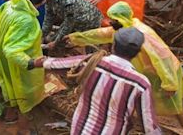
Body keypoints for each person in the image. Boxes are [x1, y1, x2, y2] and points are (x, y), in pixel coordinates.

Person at [64, 1, 183, 126]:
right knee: (148, 103)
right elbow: (100, 34)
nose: (111, 23)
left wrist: (170, 84)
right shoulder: (123, 29)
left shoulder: (143, 34)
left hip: (164, 73)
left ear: (122, 18)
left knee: (174, 105)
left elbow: (162, 59)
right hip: (149, 73)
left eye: (114, 20)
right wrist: (75, 38)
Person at [34, 28, 162, 135]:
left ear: (113, 45)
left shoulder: (93, 62)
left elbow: (57, 64)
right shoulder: (140, 84)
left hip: (80, 129)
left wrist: (34, 62)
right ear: (137, 53)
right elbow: (149, 126)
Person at [0, 0, 46, 123]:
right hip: (16, 63)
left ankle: (9, 115)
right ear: (43, 1)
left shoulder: (9, 5)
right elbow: (12, 51)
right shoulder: (27, 20)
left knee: (9, 87)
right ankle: (23, 127)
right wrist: (32, 63)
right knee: (24, 92)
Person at [29, 0, 103, 50]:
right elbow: (48, 18)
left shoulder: (67, 2)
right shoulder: (49, 0)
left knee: (89, 46)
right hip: (74, 21)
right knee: (55, 40)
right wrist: (42, 35)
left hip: (90, 21)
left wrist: (56, 42)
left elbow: (68, 25)